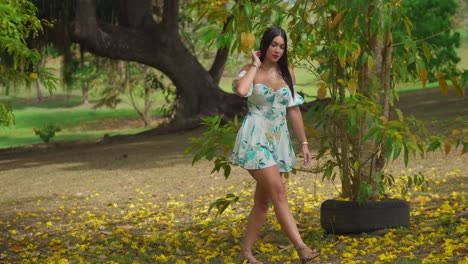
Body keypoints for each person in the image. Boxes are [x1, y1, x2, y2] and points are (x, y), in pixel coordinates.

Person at [230, 26, 320, 264]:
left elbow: (293, 109)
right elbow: (240, 90)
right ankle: (301, 248)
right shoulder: (250, 70)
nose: (278, 50)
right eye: (274, 44)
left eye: (282, 46)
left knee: (263, 201)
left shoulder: (287, 72)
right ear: (264, 45)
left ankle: (246, 251)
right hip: (255, 138)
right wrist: (255, 66)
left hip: (278, 140)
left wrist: (304, 143)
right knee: (279, 192)